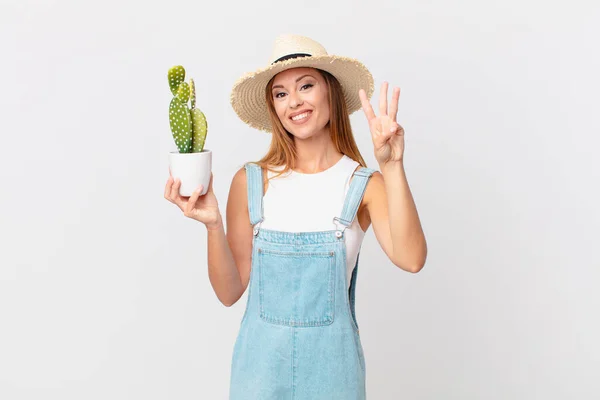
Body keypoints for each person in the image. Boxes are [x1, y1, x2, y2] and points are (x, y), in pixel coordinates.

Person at [164, 33, 427, 399]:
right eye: (281, 93)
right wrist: (213, 225)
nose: (295, 102)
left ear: (330, 93)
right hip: (257, 382)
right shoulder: (251, 181)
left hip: (334, 383)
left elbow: (412, 259)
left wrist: (393, 166)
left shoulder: (364, 185)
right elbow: (228, 292)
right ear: (273, 107)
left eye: (306, 85)